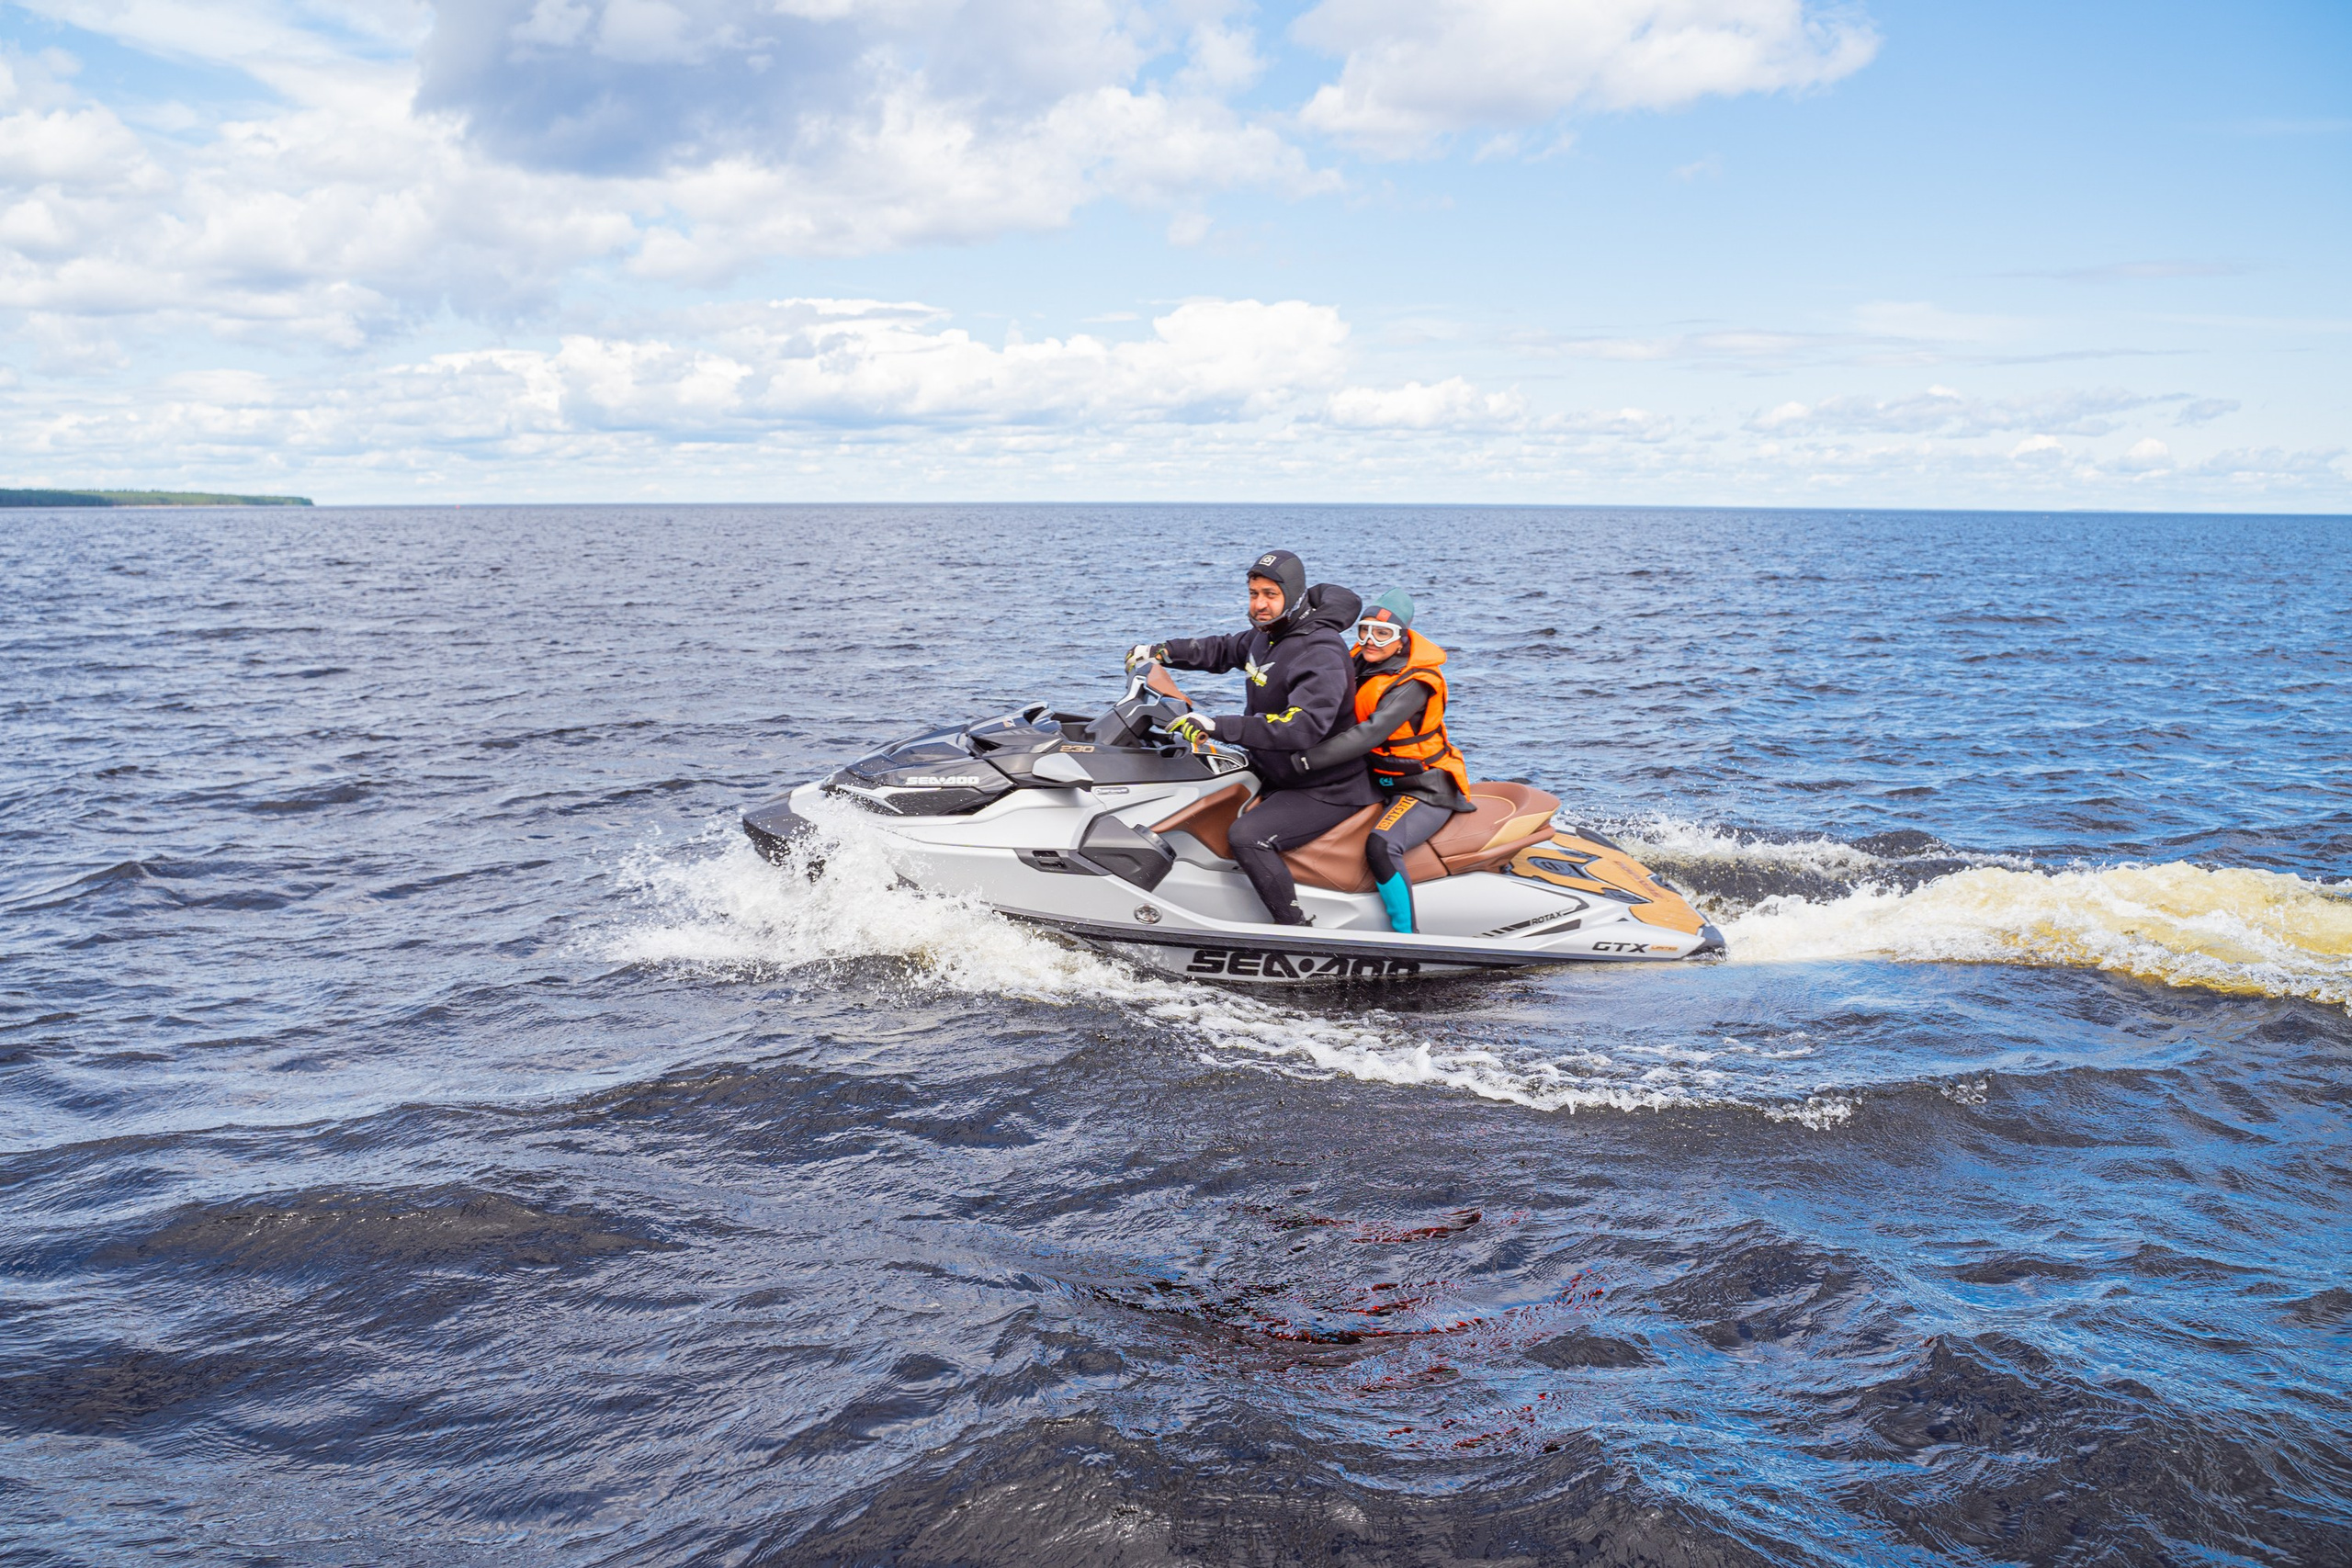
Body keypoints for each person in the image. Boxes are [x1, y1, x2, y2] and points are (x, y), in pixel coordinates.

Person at [1127, 550, 1374, 926]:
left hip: (1326, 786)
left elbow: (1303, 726)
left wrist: (1217, 726)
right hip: (1277, 771)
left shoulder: (1320, 650)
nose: (1260, 604)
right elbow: (1223, 649)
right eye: (1253, 593)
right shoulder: (1268, 636)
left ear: (1293, 596)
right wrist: (1161, 651)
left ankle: (1296, 930)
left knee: (1247, 836)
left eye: (1270, 595)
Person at [1287, 590, 1472, 934]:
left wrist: (1305, 761)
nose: (1370, 641)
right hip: (1375, 780)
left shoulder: (1414, 684)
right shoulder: (1356, 662)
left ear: (1402, 639)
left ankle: (1407, 937)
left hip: (1424, 787)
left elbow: (1370, 734)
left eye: (1382, 633)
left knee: (1381, 845)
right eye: (1364, 630)